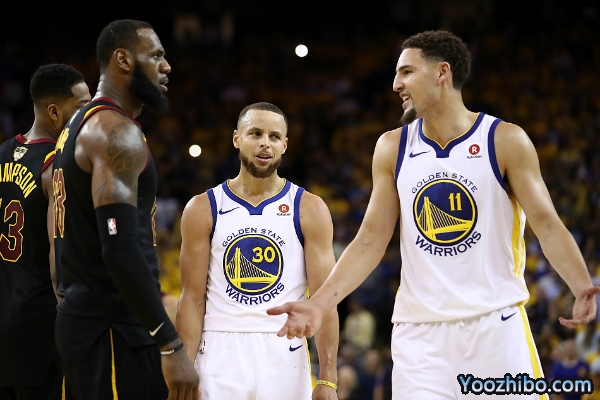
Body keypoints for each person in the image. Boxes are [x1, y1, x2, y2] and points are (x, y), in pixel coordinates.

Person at [268, 30, 600, 399]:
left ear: (442, 72)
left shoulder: (504, 140)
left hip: (495, 325)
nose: (396, 84)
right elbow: (370, 241)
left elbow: (547, 225)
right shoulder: (392, 147)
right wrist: (319, 304)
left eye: (407, 72)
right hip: (419, 337)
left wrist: (580, 285)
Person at [52, 19, 198, 400]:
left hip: (86, 325)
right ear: (123, 59)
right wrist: (170, 344)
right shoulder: (115, 132)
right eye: (156, 56)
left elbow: (58, 239)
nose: (166, 66)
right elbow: (119, 248)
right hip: (113, 332)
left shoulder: (76, 126)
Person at [176, 102, 339, 399]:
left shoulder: (310, 208)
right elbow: (192, 298)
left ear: (285, 145)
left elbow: (324, 299)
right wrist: (186, 368)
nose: (265, 143)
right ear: (237, 138)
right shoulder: (203, 208)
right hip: (218, 349)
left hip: (284, 347)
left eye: (274, 137)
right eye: (256, 134)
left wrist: (328, 379)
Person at [0, 64, 90, 400]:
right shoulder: (55, 165)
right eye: (81, 106)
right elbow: (59, 258)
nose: (88, 114)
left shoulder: (2, 153)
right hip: (37, 325)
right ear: (54, 111)